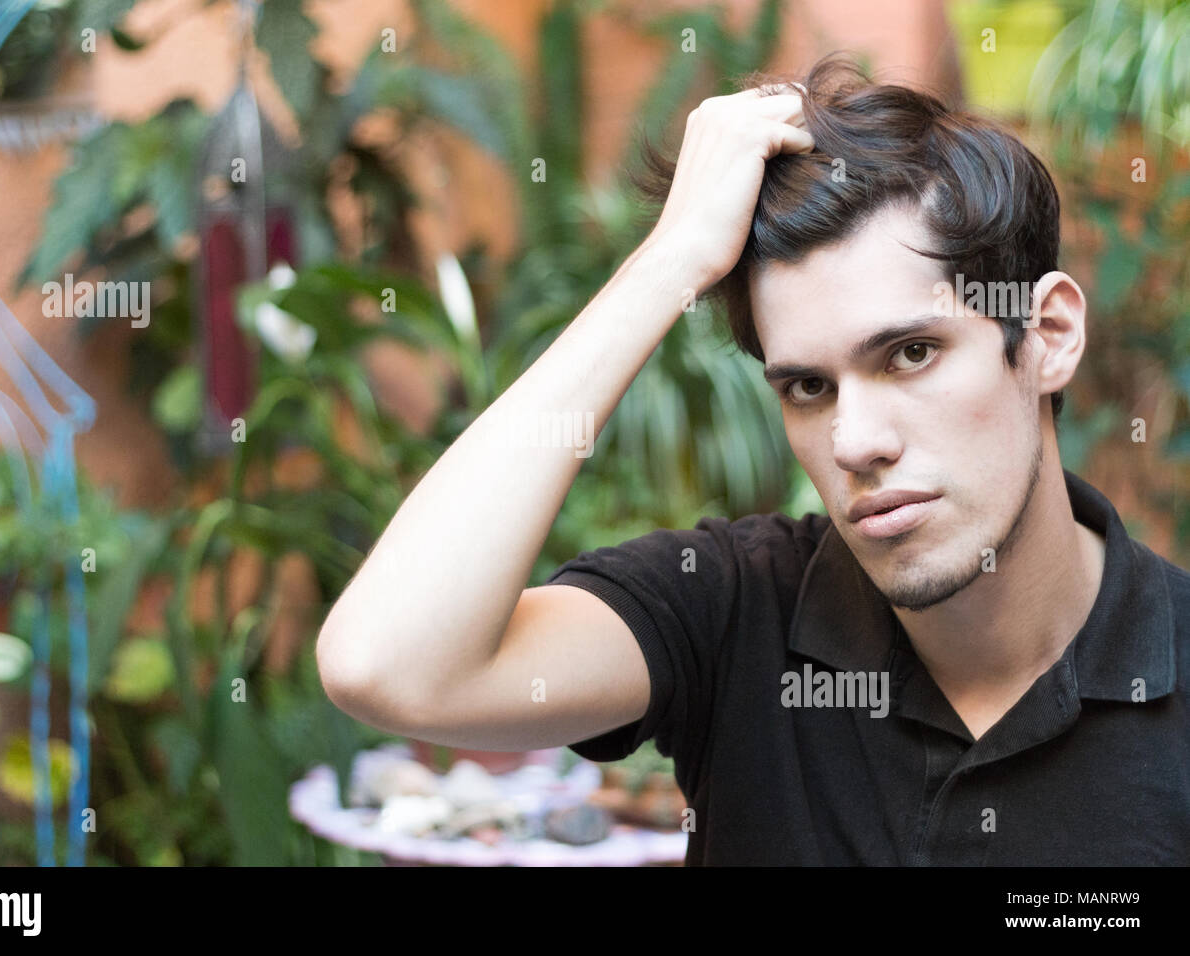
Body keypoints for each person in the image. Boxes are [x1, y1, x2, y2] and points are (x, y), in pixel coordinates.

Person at [315, 52, 1190, 864]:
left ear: (1047, 336)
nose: (855, 441)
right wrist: (671, 262)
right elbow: (387, 665)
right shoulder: (732, 611)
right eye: (808, 387)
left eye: (911, 354)